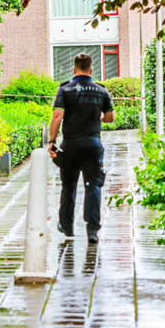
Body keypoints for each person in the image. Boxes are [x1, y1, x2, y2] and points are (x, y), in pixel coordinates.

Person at [48, 53, 114, 244]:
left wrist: (52, 141)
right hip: (93, 144)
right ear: (91, 71)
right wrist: (97, 119)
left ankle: (67, 226)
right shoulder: (101, 91)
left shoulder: (65, 90)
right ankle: (92, 229)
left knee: (68, 185)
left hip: (71, 145)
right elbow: (110, 118)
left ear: (74, 69)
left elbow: (57, 116)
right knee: (93, 185)